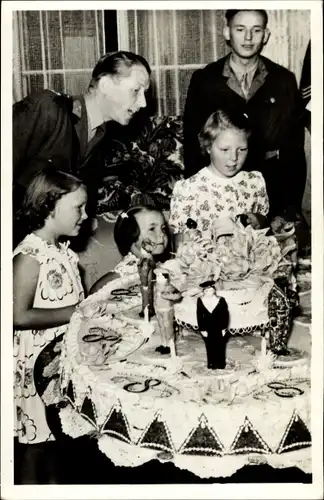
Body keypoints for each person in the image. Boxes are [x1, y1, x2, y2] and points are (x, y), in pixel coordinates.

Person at [13, 51, 151, 247]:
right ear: (105, 85)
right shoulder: (48, 107)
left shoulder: (100, 134)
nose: (143, 103)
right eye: (136, 91)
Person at [183, 9, 307, 221]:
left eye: (256, 30)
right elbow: (193, 143)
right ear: (227, 32)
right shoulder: (204, 80)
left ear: (266, 35)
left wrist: (290, 206)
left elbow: (293, 148)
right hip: (217, 193)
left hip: (271, 192)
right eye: (240, 29)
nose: (248, 38)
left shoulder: (283, 80)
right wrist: (197, 196)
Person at [13, 167, 88, 482]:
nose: (85, 215)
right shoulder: (30, 256)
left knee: (55, 440)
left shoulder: (62, 252)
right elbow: (17, 315)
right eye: (78, 208)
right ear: (49, 207)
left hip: (57, 361)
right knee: (35, 441)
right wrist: (77, 312)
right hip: (32, 365)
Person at [169, 109, 269, 245]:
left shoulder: (254, 182)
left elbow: (264, 223)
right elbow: (180, 245)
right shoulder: (188, 189)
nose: (234, 158)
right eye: (224, 150)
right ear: (208, 146)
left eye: (242, 149)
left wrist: (259, 220)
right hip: (205, 264)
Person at [90, 205, 172, 299]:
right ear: (130, 235)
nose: (162, 234)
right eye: (152, 229)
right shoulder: (128, 270)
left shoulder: (159, 265)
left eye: (163, 228)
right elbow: (95, 291)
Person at [196, 281, 229, 370]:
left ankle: (220, 365)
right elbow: (199, 315)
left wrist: (224, 328)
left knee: (220, 346)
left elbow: (225, 315)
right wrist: (202, 329)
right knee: (209, 346)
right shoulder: (200, 300)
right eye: (206, 291)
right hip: (207, 328)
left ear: (214, 290)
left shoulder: (221, 300)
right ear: (203, 292)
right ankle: (211, 364)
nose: (209, 293)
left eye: (211, 290)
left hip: (219, 327)